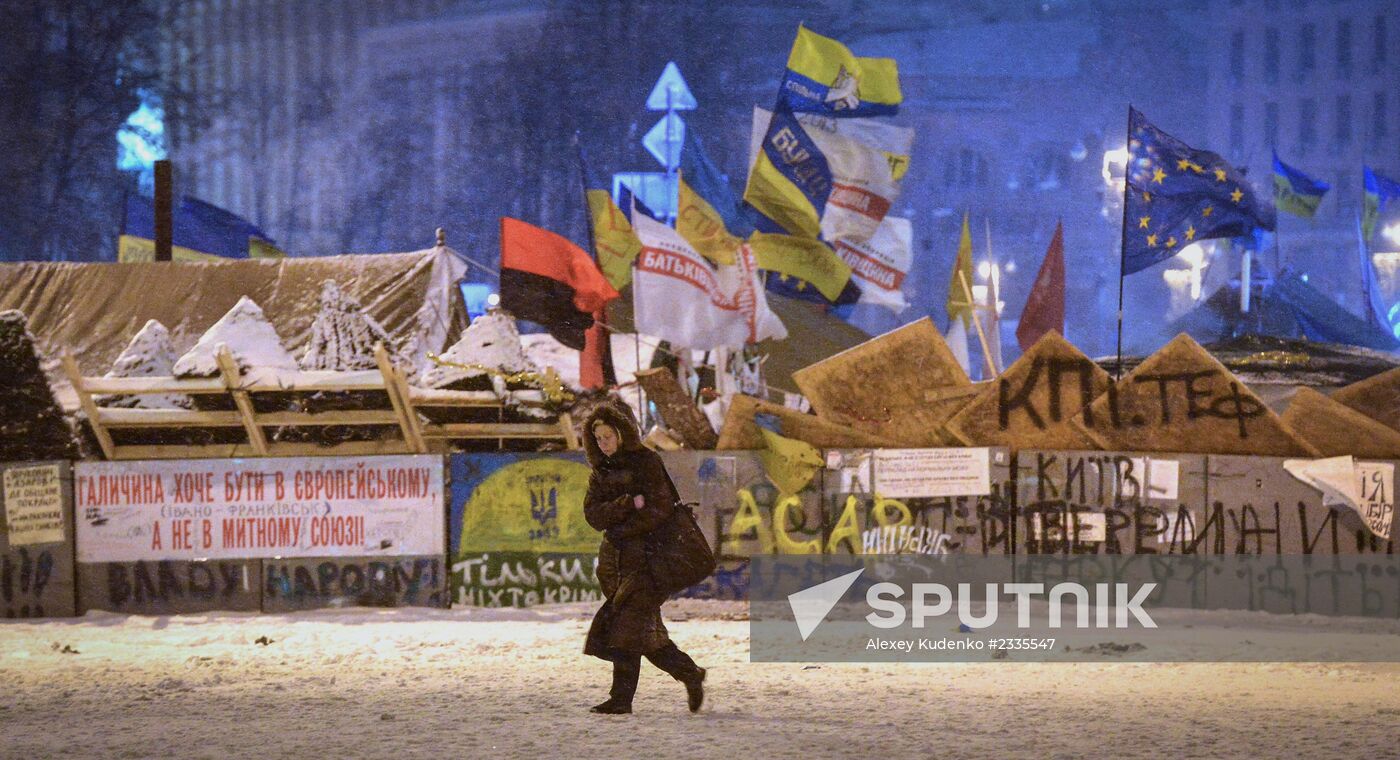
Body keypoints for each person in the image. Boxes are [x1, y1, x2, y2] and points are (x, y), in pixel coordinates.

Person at [581, 403, 706, 715]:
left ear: (622, 434)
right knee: (643, 634)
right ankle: (690, 673)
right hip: (617, 564)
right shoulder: (601, 470)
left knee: (625, 627)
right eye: (598, 438)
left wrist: (623, 528)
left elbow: (659, 508)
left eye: (608, 436)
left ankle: (621, 699)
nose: (603, 443)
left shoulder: (646, 462)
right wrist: (626, 504)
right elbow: (593, 515)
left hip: (650, 562)